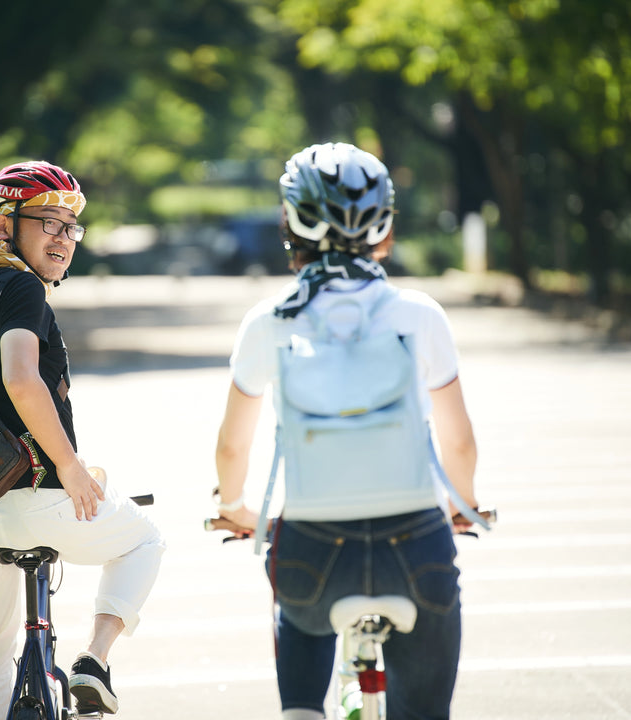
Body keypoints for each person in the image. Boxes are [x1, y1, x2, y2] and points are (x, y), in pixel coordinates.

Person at [213, 142, 480, 720]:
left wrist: (233, 506)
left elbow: (233, 446)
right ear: (383, 227)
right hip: (417, 545)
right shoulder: (420, 314)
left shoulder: (269, 321)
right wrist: (465, 504)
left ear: (292, 224)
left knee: (297, 611)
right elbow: (458, 442)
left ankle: (304, 711)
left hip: (311, 548)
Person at [0, 160, 165, 720]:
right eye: (47, 222)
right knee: (144, 539)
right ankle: (94, 663)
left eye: (70, 227)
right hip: (40, 498)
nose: (63, 237)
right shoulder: (22, 286)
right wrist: (72, 468)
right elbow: (21, 377)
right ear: (4, 225)